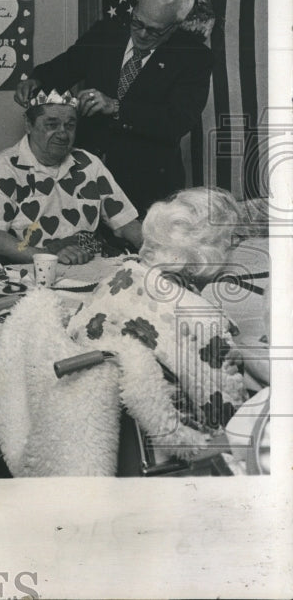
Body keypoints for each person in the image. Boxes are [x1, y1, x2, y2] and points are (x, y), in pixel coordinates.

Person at [66, 187, 249, 460]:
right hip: (168, 446)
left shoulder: (121, 275)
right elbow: (231, 417)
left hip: (92, 423)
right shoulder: (205, 322)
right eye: (229, 243)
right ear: (207, 254)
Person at [14, 0, 213, 213]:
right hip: (83, 175)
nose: (141, 34)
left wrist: (117, 107)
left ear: (175, 26)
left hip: (147, 184)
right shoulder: (106, 32)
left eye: (154, 31)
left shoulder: (194, 57)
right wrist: (37, 80)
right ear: (135, 7)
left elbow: (179, 120)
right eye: (137, 22)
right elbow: (67, 65)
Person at [0, 89, 144, 265]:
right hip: (32, 271)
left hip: (91, 265)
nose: (63, 134)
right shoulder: (0, 168)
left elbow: (125, 223)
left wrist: (159, 249)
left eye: (70, 126)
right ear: (28, 125)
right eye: (51, 125)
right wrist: (47, 256)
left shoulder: (89, 164)